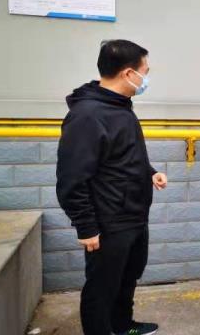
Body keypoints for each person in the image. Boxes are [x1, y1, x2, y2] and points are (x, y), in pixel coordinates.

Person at [57, 39, 168, 335]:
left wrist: (150, 173)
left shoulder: (120, 107)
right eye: (145, 72)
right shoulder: (88, 115)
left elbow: (121, 156)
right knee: (102, 286)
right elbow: (71, 178)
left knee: (127, 276)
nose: (146, 78)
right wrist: (86, 226)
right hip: (109, 221)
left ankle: (122, 326)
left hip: (132, 214)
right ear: (128, 73)